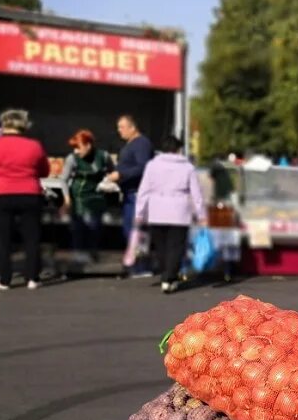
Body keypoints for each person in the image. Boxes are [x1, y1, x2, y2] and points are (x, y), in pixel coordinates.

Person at [0, 109, 50, 290]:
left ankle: (4, 279)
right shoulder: (35, 146)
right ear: (23, 125)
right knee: (32, 237)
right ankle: (33, 278)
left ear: (4, 124)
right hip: (30, 193)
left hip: (1, 193)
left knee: (2, 238)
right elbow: (44, 171)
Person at [134, 135, 206, 293]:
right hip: (179, 212)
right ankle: (169, 277)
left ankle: (166, 275)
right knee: (176, 247)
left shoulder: (152, 166)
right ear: (178, 149)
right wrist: (201, 214)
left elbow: (143, 191)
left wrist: (140, 212)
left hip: (156, 211)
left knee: (161, 247)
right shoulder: (187, 167)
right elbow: (197, 193)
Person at [107, 114, 154, 276]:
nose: (119, 131)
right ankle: (134, 264)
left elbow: (143, 167)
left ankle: (141, 267)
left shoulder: (141, 144)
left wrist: (121, 175)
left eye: (122, 127)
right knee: (130, 231)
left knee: (137, 232)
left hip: (137, 195)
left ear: (132, 127)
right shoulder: (130, 144)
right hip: (129, 194)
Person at [60, 129, 112, 264]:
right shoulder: (72, 158)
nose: (76, 151)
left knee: (95, 229)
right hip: (79, 197)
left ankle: (93, 255)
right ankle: (79, 256)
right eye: (74, 148)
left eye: (78, 147)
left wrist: (109, 183)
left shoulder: (104, 156)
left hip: (97, 198)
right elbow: (63, 180)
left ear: (88, 145)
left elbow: (113, 173)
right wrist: (67, 200)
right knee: (79, 228)